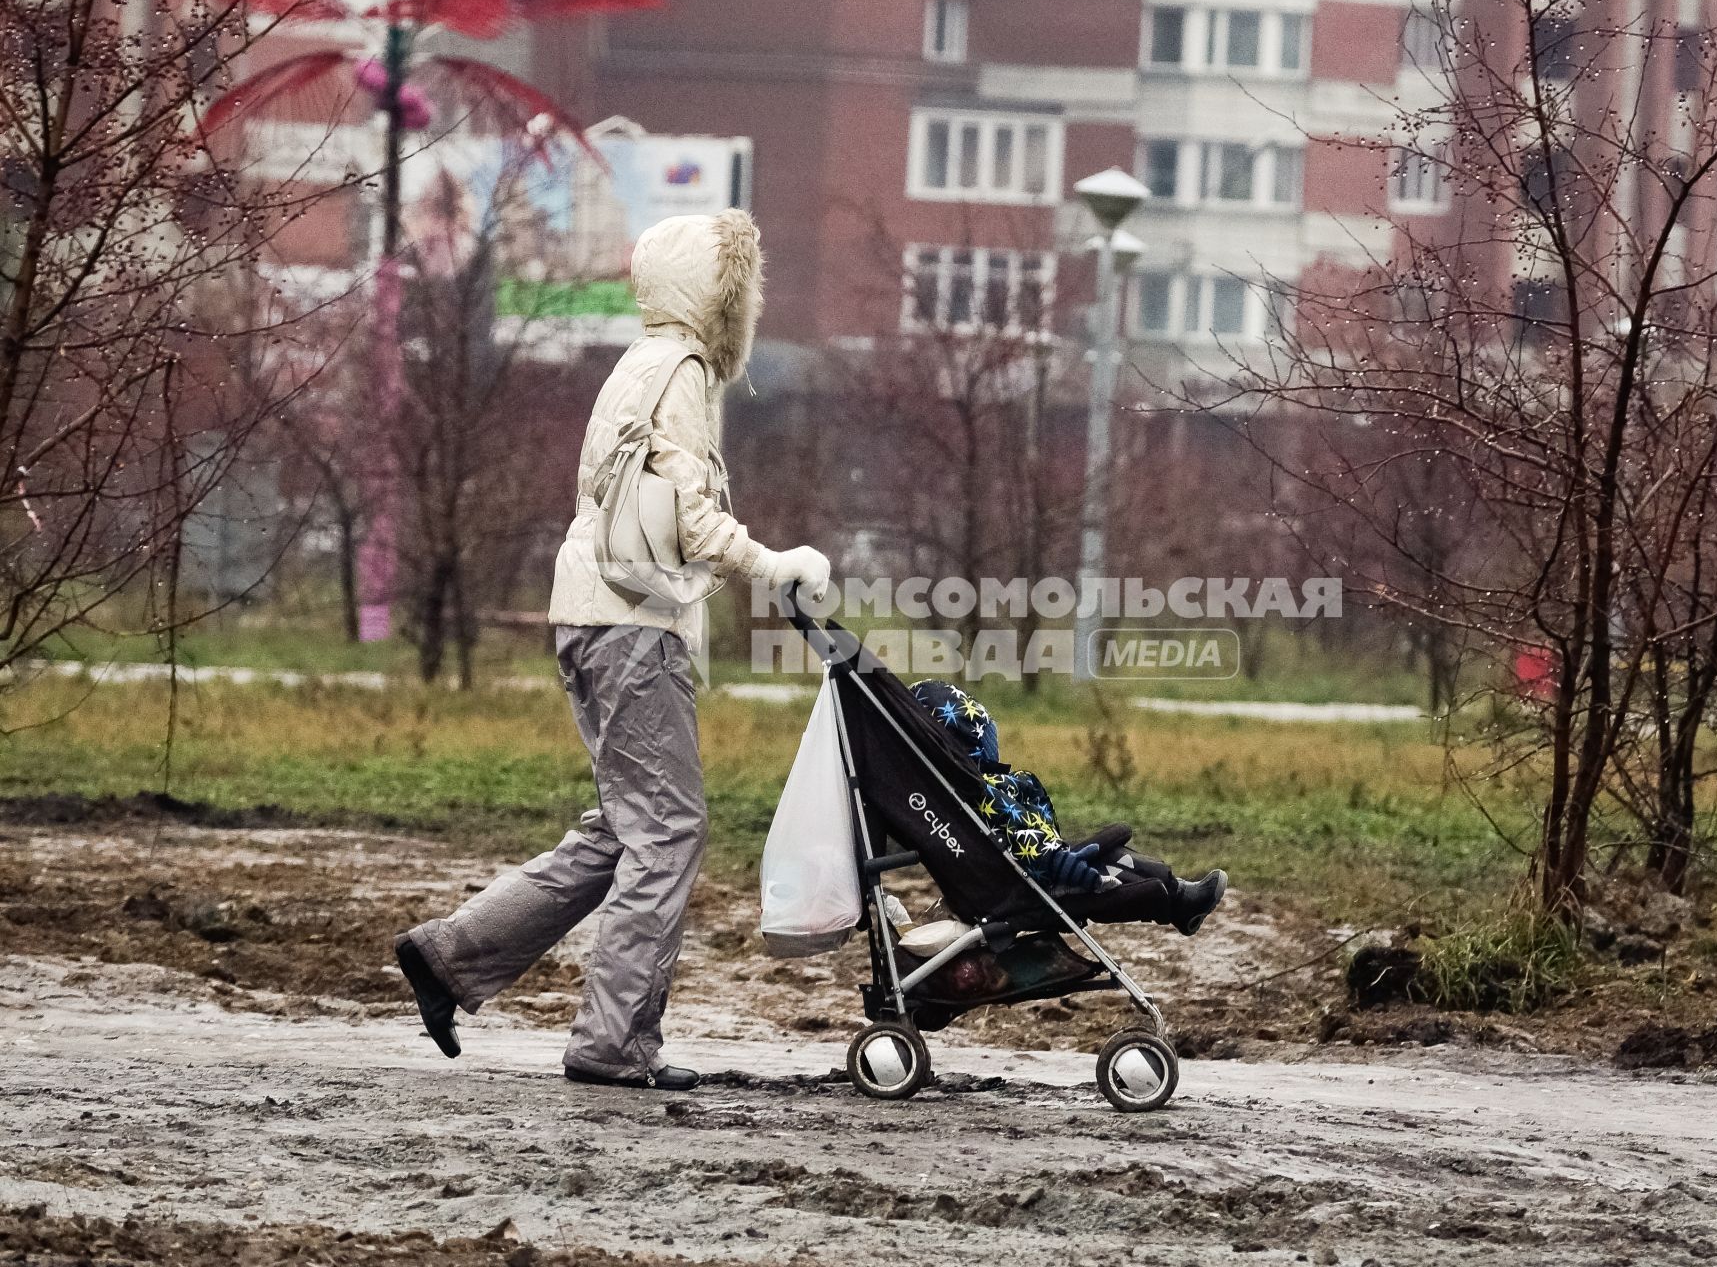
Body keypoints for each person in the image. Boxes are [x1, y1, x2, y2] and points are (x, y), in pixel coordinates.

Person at [393, 210, 831, 1091]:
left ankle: (451, 956)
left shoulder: (635, 365)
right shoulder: (681, 370)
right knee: (669, 831)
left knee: (625, 824)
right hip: (634, 627)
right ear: (715, 298)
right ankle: (613, 1042)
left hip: (589, 614)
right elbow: (687, 514)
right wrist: (769, 563)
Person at [908, 680, 1227, 934]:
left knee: (1115, 852)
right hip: (1036, 879)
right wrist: (1059, 861)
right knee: (1119, 869)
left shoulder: (965, 789)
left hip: (1035, 866)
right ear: (969, 747)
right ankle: (1177, 900)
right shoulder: (981, 792)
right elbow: (1015, 836)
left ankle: (1179, 896)